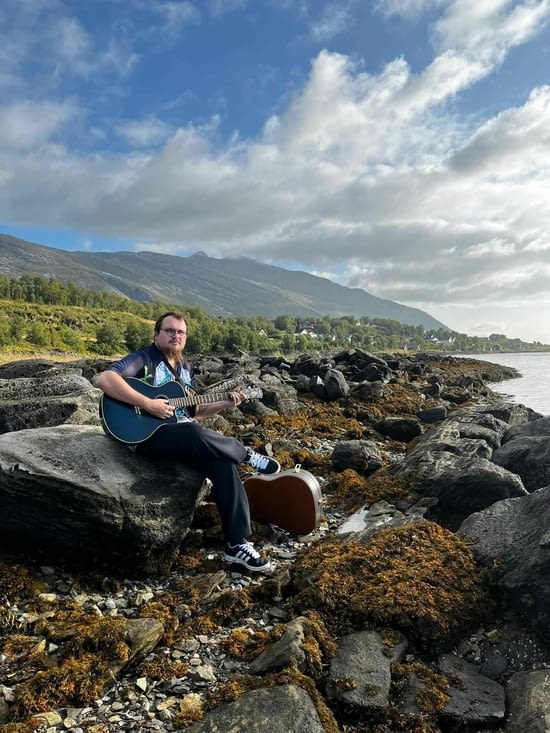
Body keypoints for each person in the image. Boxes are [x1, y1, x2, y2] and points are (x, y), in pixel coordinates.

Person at [95, 310, 280, 573]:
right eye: (169, 330)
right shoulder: (143, 358)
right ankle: (245, 454)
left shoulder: (185, 369)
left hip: (179, 435)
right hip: (145, 435)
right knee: (194, 433)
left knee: (223, 463)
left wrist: (225, 403)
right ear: (157, 334)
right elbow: (105, 379)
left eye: (180, 332)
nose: (175, 336)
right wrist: (148, 403)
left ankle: (237, 546)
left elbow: (193, 411)